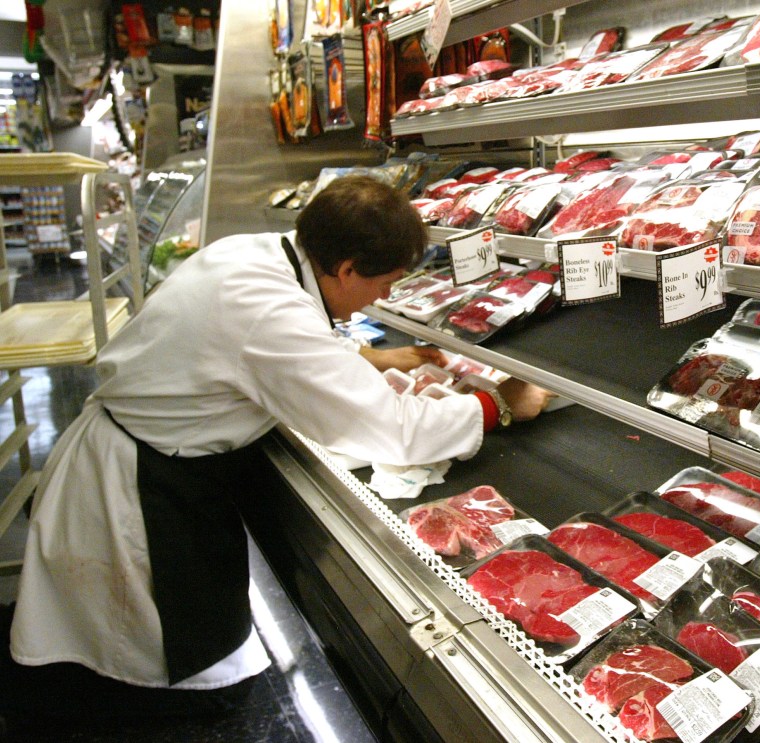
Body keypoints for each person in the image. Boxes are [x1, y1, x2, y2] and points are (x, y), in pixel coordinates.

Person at [0, 175, 553, 723]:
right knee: (160, 671)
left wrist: (368, 357)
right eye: (387, 282)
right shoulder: (271, 312)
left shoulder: (255, 252)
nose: (388, 295)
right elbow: (390, 427)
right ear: (345, 270)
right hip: (143, 486)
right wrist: (497, 405)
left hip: (144, 451)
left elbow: (260, 348)